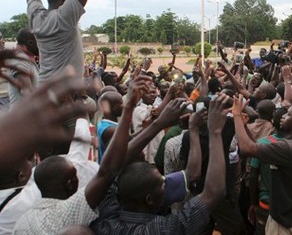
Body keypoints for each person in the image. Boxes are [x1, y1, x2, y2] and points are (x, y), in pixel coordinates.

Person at [13, 72, 151, 234]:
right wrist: (134, 112)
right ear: (71, 184)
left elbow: (82, 129)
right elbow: (107, 171)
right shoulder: (76, 179)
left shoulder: (25, 206)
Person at [90, 93, 230, 234]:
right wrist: (215, 131)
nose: (166, 182)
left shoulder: (106, 218)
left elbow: (111, 169)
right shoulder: (161, 229)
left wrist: (163, 124)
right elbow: (213, 193)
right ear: (149, 199)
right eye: (163, 183)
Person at [233, 94, 292, 234]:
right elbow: (258, 147)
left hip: (284, 221)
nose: (283, 116)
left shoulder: (287, 148)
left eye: (288, 115)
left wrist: (236, 116)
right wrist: (245, 127)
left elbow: (247, 149)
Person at [6, 28, 39, 106]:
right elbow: (28, 94)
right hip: (24, 116)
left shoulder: (25, 58)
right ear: (30, 42)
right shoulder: (19, 61)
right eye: (38, 42)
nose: (40, 45)